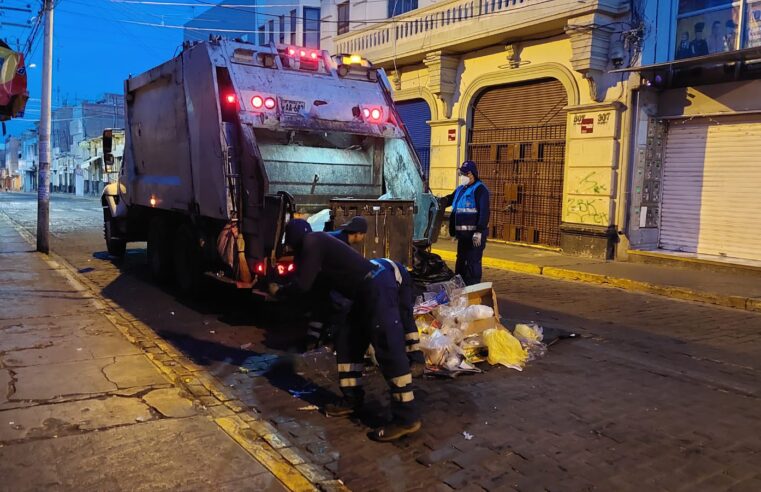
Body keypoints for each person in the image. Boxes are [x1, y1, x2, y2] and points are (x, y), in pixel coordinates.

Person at [270, 220, 421, 442]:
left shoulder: (313, 241)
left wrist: (280, 291)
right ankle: (352, 398)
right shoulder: (319, 244)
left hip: (376, 287)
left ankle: (406, 418)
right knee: (347, 340)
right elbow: (318, 294)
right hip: (361, 294)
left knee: (388, 346)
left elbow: (302, 285)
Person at [439, 160, 490, 286]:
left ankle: (473, 288)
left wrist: (479, 231)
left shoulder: (480, 190)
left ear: (471, 174)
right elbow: (449, 199)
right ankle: (460, 287)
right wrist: (438, 201)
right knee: (461, 261)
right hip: (463, 236)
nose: (461, 177)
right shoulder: (461, 189)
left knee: (473, 263)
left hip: (474, 236)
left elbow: (484, 212)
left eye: (463, 174)